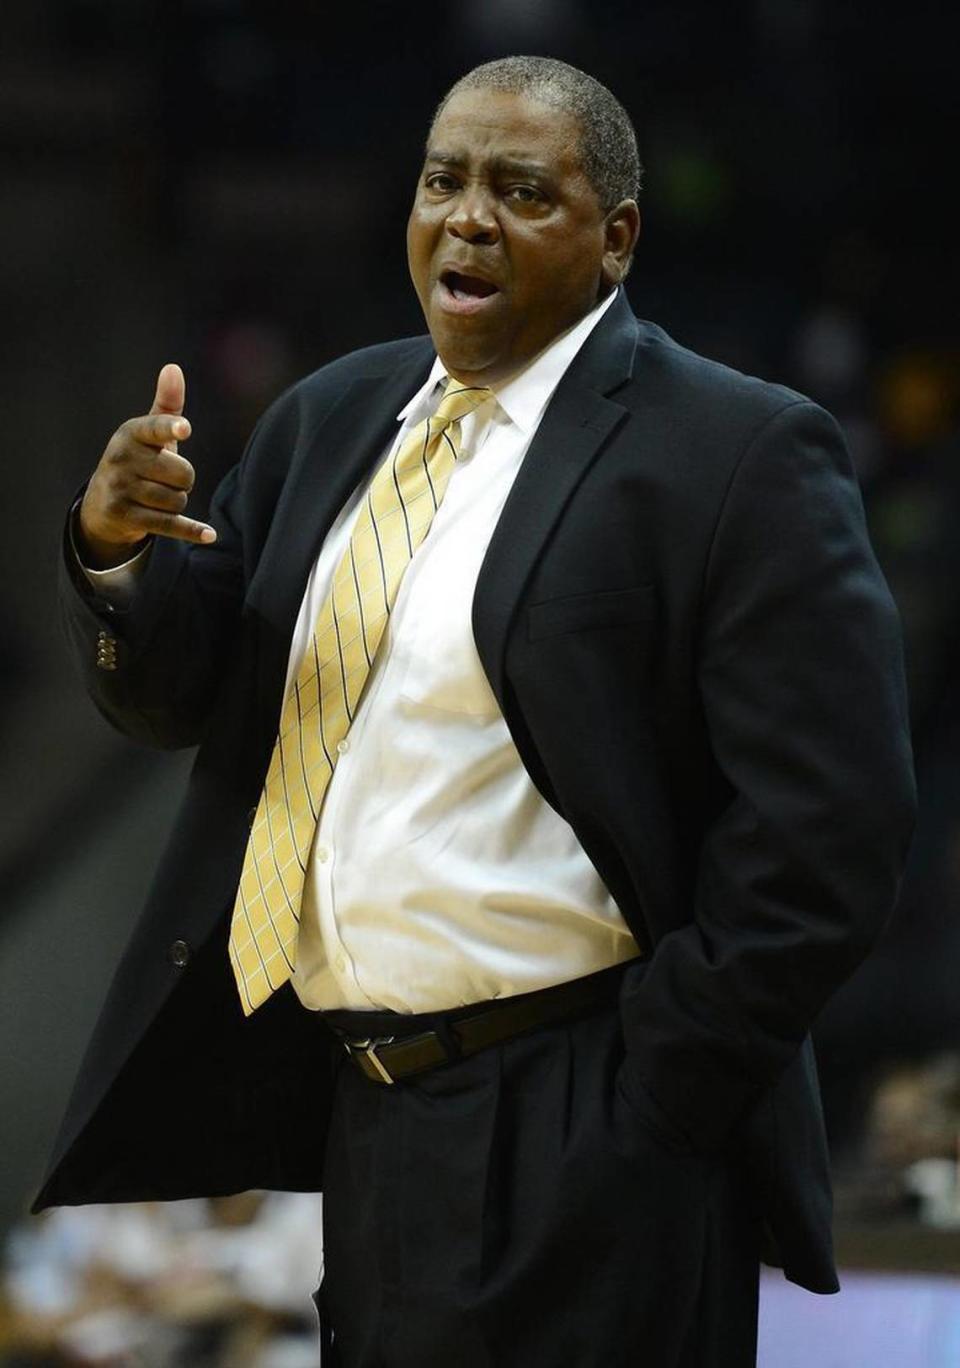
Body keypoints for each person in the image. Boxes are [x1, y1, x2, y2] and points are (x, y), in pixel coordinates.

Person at [35, 56, 915, 1367]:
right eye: (443, 179)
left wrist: (659, 1092)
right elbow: (196, 697)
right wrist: (117, 556)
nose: (467, 215)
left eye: (523, 189)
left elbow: (832, 827)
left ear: (616, 238)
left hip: (587, 1108)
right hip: (369, 1115)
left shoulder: (732, 450)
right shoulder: (333, 416)